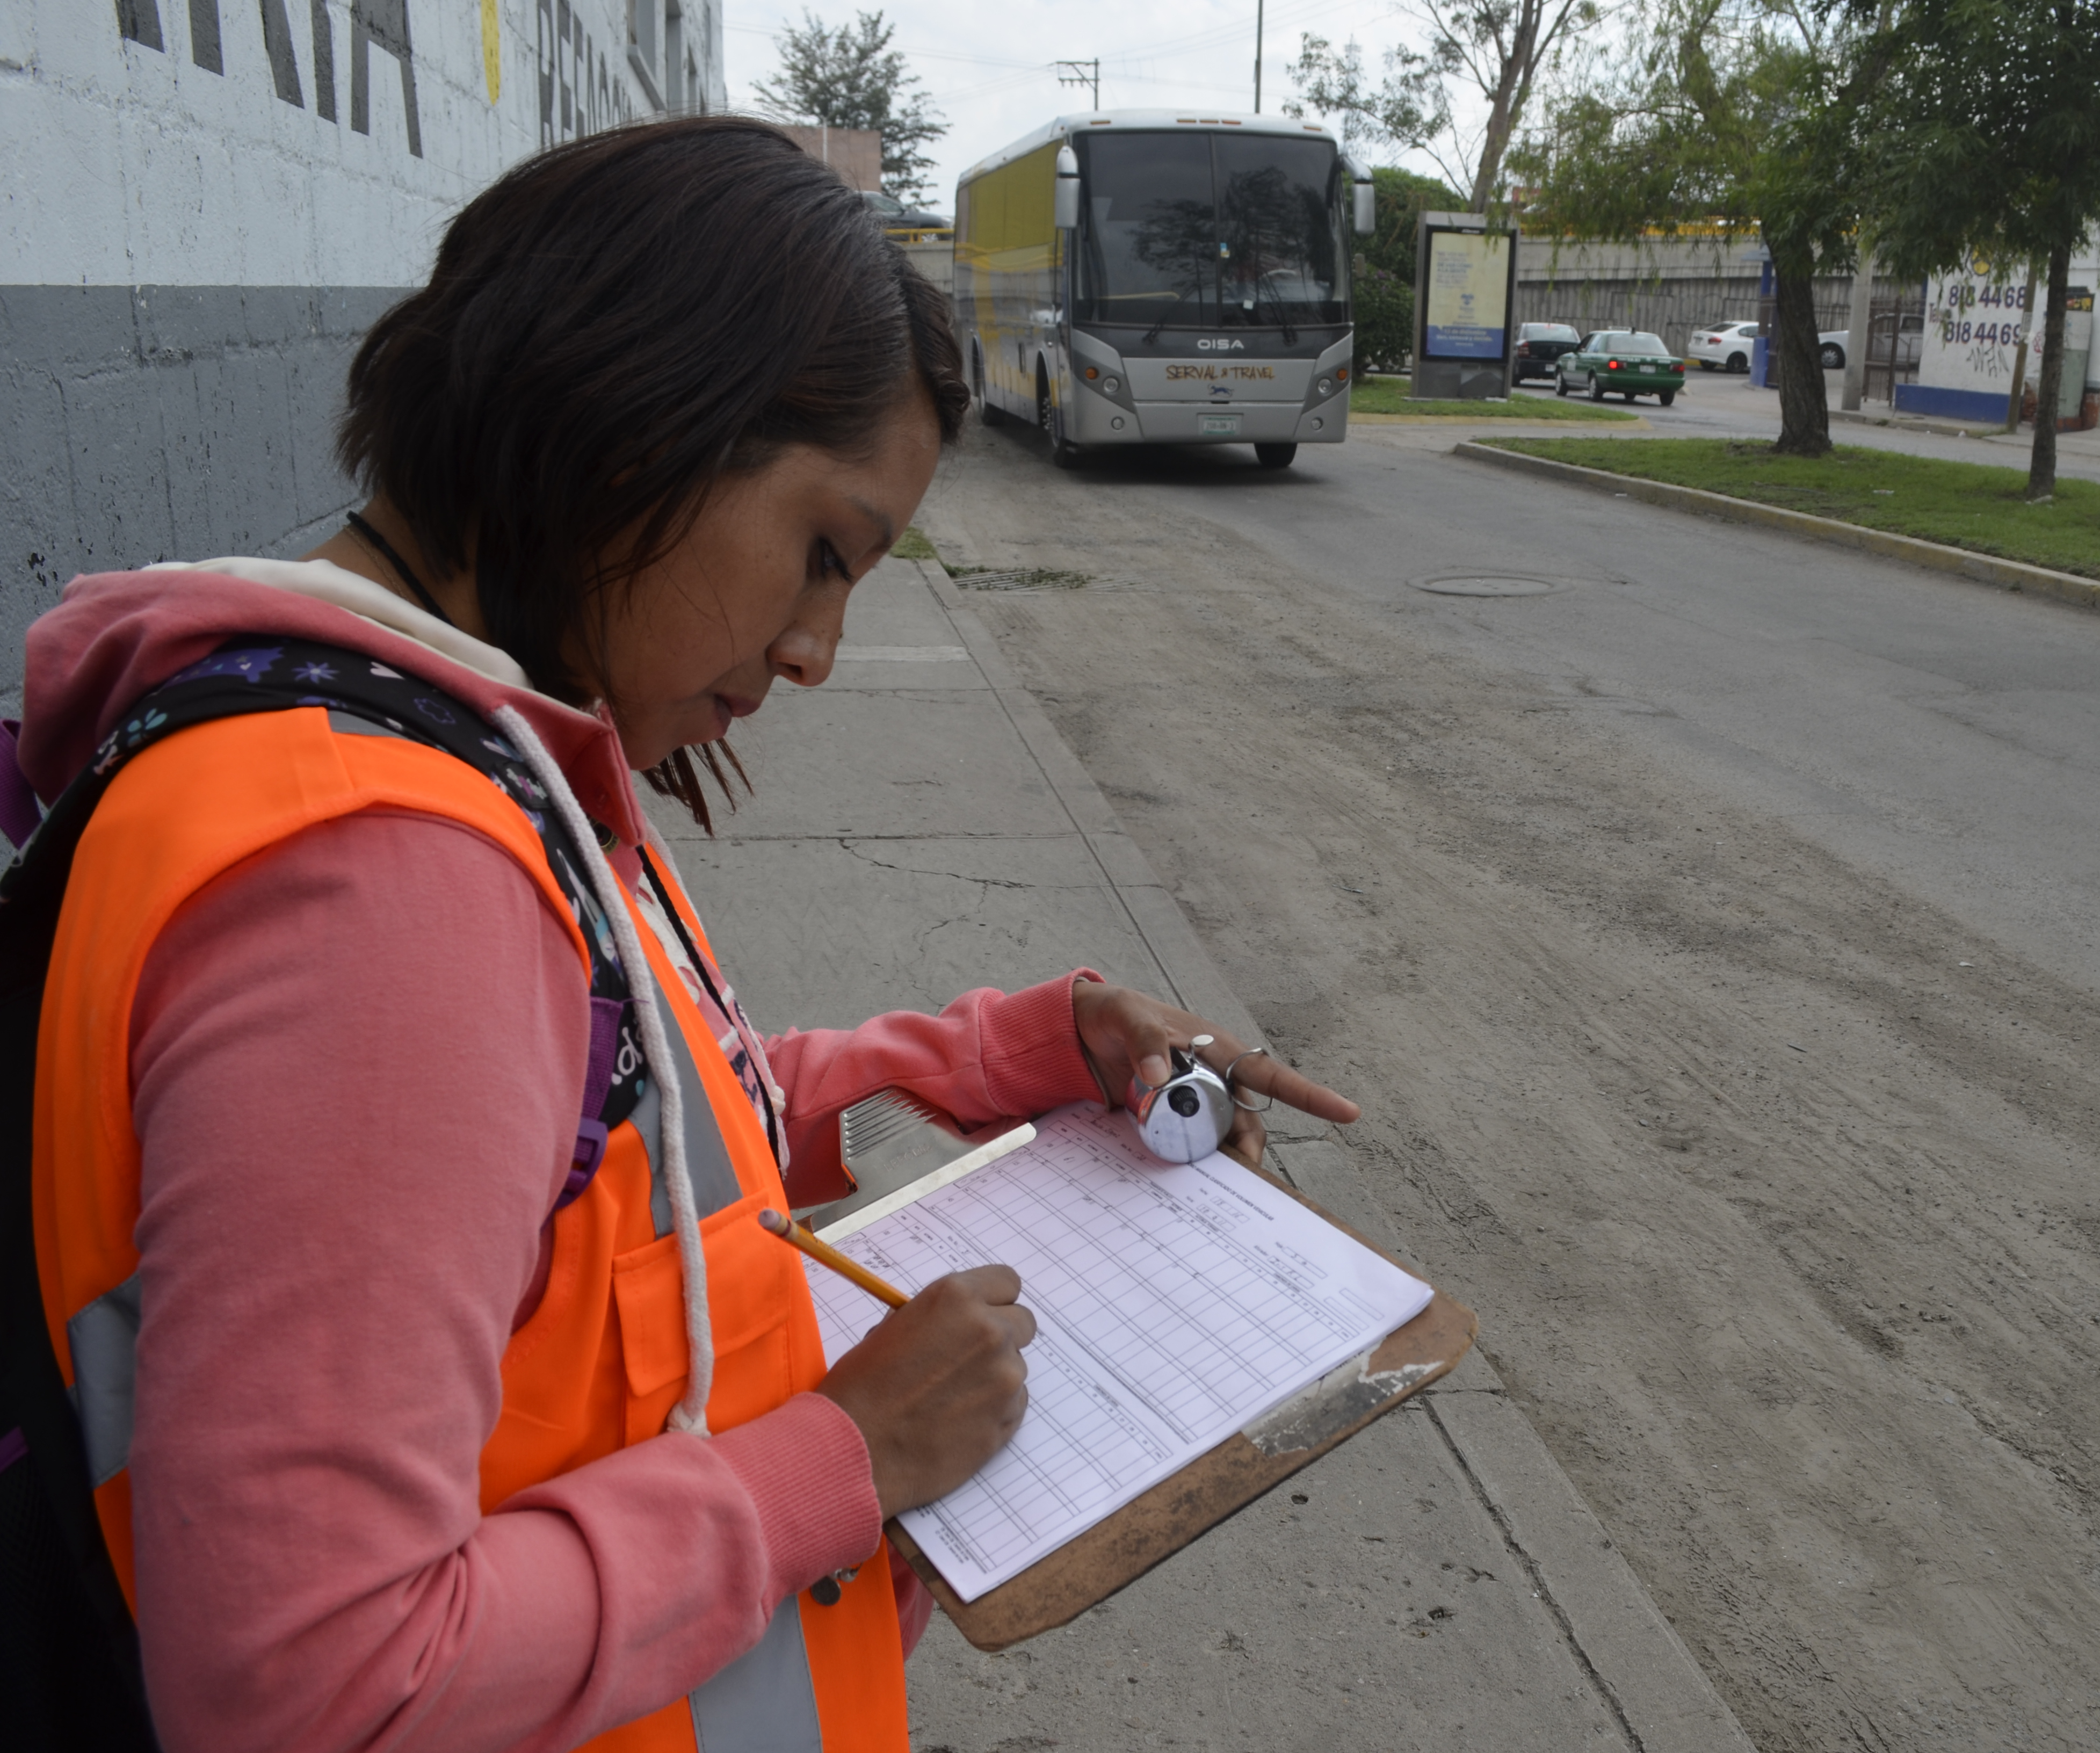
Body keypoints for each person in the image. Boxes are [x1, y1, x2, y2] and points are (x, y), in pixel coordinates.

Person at [19, 117, 1358, 1751]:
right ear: (630, 419)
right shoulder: (382, 883)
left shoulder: (447, 750)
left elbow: (607, 1148)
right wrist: (843, 1461)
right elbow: (312, 1685)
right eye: (819, 552)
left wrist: (1006, 1050)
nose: (817, 652)